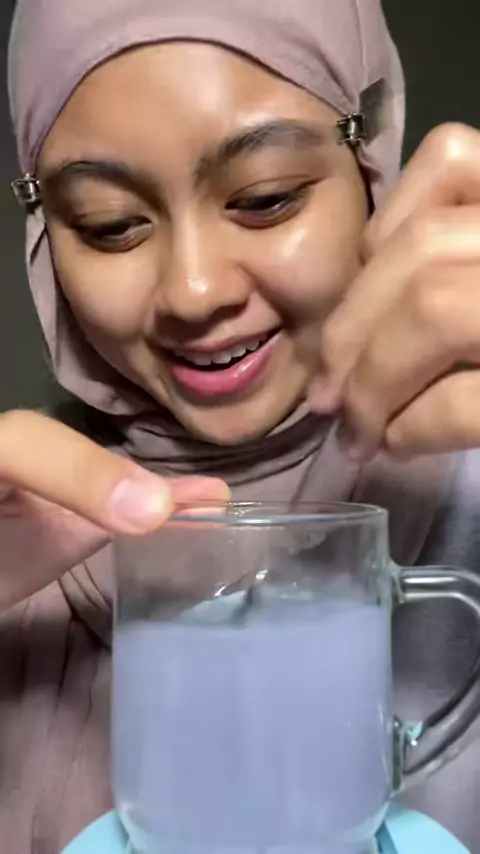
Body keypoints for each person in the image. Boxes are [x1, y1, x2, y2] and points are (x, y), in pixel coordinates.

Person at [4, 0, 480, 851]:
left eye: (266, 199)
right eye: (111, 225)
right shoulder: (20, 535)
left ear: (371, 166)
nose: (194, 291)